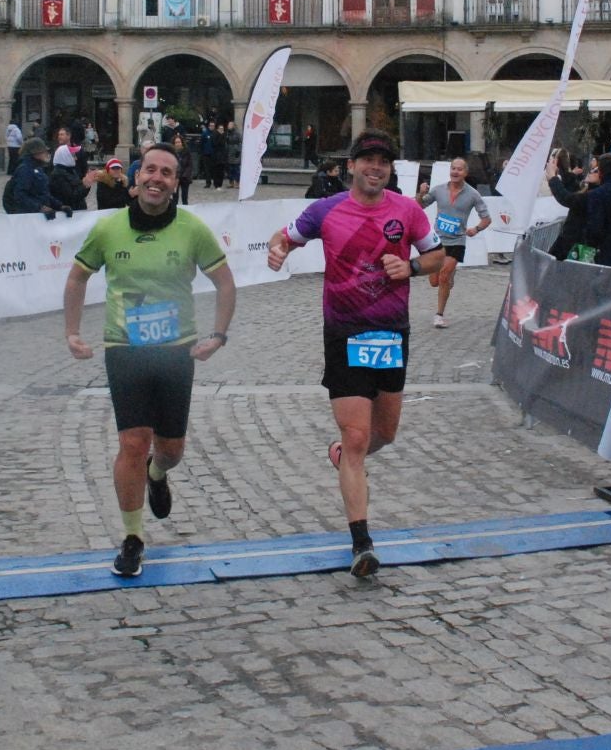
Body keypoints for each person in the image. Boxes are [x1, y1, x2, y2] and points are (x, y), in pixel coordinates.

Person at [265, 131, 444, 578]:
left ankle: (342, 453)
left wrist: (413, 267)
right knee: (359, 438)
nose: (375, 167)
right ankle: (361, 542)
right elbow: (285, 237)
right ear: (352, 166)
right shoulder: (325, 211)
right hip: (345, 334)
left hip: (390, 335)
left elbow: (439, 256)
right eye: (367, 160)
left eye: (383, 161)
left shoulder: (407, 211)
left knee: (384, 434)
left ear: (390, 169)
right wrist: (276, 249)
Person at [65, 144, 237, 577]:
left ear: (176, 183)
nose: (156, 178)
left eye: (167, 172)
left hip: (176, 351)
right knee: (131, 443)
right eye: (150, 170)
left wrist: (218, 335)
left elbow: (225, 283)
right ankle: (132, 537)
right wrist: (71, 332)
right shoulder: (109, 229)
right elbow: (77, 277)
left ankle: (158, 475)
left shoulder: (192, 228)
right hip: (124, 349)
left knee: (170, 449)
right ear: (137, 177)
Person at [416, 158, 493, 328]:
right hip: (436, 241)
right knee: (434, 281)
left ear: (465, 173)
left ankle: (439, 315)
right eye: (453, 168)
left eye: (459, 169)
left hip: (457, 241)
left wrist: (476, 229)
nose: (455, 172)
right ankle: (449, 278)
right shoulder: (438, 190)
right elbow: (418, 206)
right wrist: (421, 193)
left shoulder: (473, 194)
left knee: (443, 276)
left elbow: (487, 219)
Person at [547, 148, 598, 262]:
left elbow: (567, 198)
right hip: (574, 243)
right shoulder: (588, 192)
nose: (590, 172)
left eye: (595, 171)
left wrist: (552, 178)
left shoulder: (593, 196)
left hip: (575, 245)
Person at [3, 137, 63, 218]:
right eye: (43, 151)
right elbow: (20, 195)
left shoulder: (38, 168)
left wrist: (59, 206)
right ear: (35, 153)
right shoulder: (25, 169)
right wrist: (39, 207)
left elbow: (43, 194)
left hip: (36, 215)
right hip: (27, 217)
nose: (46, 154)